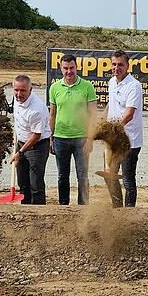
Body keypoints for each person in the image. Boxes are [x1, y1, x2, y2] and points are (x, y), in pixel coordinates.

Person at [49, 54, 97, 205]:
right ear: (60, 69)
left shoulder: (87, 87)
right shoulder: (55, 88)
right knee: (62, 175)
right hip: (60, 138)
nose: (69, 71)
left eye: (71, 68)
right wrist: (51, 137)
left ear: (77, 67)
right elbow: (52, 114)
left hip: (81, 139)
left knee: (82, 175)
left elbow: (93, 115)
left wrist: (90, 138)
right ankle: (64, 206)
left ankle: (83, 207)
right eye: (65, 68)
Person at [104, 50, 144, 208]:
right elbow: (111, 103)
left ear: (127, 66)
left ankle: (129, 211)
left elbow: (129, 114)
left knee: (127, 179)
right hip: (113, 140)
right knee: (110, 175)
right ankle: (117, 207)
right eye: (114, 64)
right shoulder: (112, 82)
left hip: (130, 141)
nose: (117, 67)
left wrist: (114, 129)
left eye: (120, 65)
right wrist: (102, 118)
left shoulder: (134, 86)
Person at [12, 75, 51, 205]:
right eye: (16, 90)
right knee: (22, 182)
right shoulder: (17, 100)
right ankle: (25, 210)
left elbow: (36, 136)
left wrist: (20, 152)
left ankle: (39, 212)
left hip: (37, 146)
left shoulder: (36, 109)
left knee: (35, 183)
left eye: (23, 90)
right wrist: (18, 147)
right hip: (21, 143)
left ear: (31, 89)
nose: (19, 94)